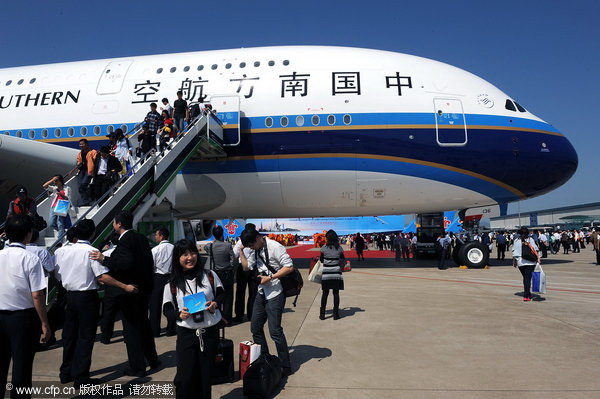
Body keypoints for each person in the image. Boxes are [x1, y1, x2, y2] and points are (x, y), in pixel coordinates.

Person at [54, 219, 138, 387]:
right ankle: (81, 377)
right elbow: (101, 277)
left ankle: (66, 372)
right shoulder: (91, 251)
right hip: (86, 298)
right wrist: (124, 286)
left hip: (69, 295)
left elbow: (57, 274)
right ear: (92, 233)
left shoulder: (61, 251)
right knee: (85, 337)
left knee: (69, 335)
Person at [89, 211, 159, 377]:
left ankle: (137, 367)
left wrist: (103, 259)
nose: (114, 225)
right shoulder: (141, 238)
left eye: (114, 222)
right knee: (144, 325)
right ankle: (153, 359)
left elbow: (124, 263)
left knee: (132, 330)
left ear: (119, 224)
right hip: (145, 289)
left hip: (131, 291)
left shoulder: (125, 241)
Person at [162, 239, 224, 399]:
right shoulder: (172, 284)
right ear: (177, 258)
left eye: (192, 252)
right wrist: (178, 314)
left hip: (209, 333)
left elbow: (222, 293)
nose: (190, 257)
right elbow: (167, 309)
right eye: (184, 254)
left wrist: (215, 303)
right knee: (184, 378)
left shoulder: (209, 275)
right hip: (186, 334)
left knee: (205, 377)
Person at [0, 215, 51, 399]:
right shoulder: (31, 258)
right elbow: (37, 294)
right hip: (22, 319)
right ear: (28, 234)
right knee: (22, 368)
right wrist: (44, 323)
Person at [239, 228, 294, 377]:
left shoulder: (275, 247)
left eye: (252, 245)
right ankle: (265, 358)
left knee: (275, 331)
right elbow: (246, 267)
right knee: (255, 327)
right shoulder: (252, 250)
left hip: (276, 291)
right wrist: (241, 252)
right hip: (261, 291)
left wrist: (270, 277)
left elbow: (289, 266)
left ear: (258, 238)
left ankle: (285, 366)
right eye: (249, 246)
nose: (251, 248)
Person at [204, 225, 235, 323]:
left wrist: (213, 242)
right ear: (222, 233)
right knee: (228, 297)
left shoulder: (210, 246)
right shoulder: (228, 245)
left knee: (217, 296)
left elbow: (205, 247)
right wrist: (230, 266)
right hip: (227, 273)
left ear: (213, 234)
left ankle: (218, 317)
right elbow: (233, 260)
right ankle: (227, 318)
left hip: (215, 274)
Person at [150, 227, 175, 337]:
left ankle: (155, 330)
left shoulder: (155, 250)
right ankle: (171, 329)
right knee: (170, 304)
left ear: (161, 236)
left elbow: (152, 265)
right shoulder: (174, 248)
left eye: (156, 235)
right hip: (170, 278)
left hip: (158, 278)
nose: (155, 237)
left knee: (155, 305)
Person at [232, 224, 258, 323]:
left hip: (242, 268)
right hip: (251, 268)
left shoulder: (239, 242)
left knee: (240, 292)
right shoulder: (254, 241)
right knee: (253, 292)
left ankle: (239, 316)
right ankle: (251, 315)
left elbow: (234, 255)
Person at [319, 230, 345, 320]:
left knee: (325, 294)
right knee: (336, 293)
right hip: (336, 273)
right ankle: (336, 314)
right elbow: (342, 259)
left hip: (326, 274)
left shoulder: (323, 248)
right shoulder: (339, 248)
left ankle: (322, 315)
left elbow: (321, 260)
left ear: (327, 238)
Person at [99, 232, 120, 344]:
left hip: (110, 286)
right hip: (123, 285)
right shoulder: (125, 253)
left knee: (108, 313)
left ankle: (105, 337)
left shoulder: (105, 253)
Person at [512, 227, 540, 302]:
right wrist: (538, 258)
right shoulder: (530, 240)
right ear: (528, 233)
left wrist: (514, 262)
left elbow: (514, 252)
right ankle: (526, 295)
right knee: (528, 279)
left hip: (521, 262)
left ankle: (528, 293)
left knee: (525, 278)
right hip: (530, 262)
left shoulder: (516, 240)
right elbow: (535, 249)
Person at [76, 139, 97, 206]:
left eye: (82, 144)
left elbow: (96, 161)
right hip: (82, 171)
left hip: (89, 171)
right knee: (80, 187)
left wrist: (94, 172)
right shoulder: (80, 152)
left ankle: (86, 201)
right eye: (80, 144)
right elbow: (78, 160)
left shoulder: (93, 151)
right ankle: (86, 199)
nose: (81, 146)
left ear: (87, 144)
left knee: (83, 186)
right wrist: (79, 164)